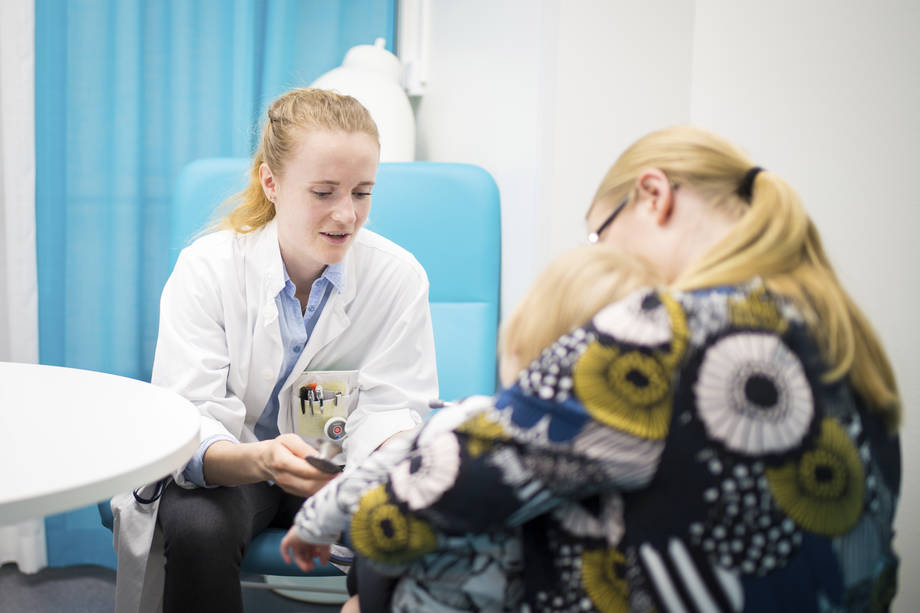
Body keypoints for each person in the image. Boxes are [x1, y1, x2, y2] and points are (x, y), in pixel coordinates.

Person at [281, 125, 901, 612]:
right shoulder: (842, 335)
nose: (603, 266)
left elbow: (443, 486)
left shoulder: (664, 332)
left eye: (599, 238)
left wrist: (361, 563)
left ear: (653, 196)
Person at [110, 88, 438, 613]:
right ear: (272, 182)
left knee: (397, 519)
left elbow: (394, 408)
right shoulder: (209, 269)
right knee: (198, 524)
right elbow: (191, 416)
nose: (346, 215)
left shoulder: (397, 278)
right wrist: (259, 458)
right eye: (325, 192)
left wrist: (356, 470)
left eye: (362, 193)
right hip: (239, 470)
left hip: (344, 470)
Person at [281, 243, 661, 612]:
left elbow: (374, 474)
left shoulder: (472, 424)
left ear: (523, 338)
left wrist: (313, 525)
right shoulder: (643, 453)